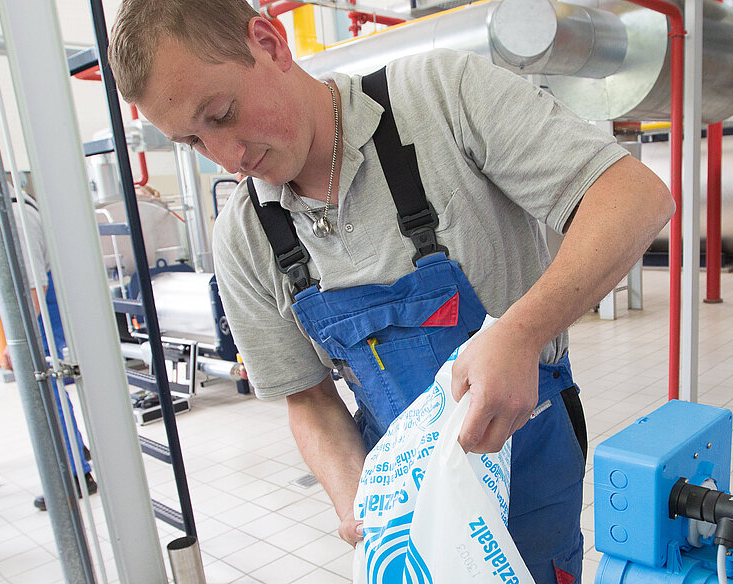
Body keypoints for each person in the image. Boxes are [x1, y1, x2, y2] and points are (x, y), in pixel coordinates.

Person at [112, 2, 674, 582]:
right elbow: (307, 400)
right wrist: (357, 499)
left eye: (223, 113)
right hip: (399, 497)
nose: (229, 157)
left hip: (526, 458)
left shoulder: (440, 97)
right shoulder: (244, 235)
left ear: (269, 41)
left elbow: (634, 197)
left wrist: (521, 334)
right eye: (193, 142)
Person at [0, 140, 97, 512]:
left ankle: (74, 472)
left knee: (47, 393)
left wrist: (18, 339)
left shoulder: (14, 214)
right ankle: (74, 451)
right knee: (50, 395)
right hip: (33, 318)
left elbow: (32, 285)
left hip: (38, 319)